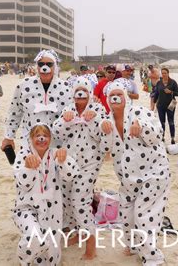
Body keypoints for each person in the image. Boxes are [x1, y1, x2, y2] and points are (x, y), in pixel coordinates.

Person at [100, 81, 170, 265]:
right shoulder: (107, 120)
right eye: (112, 95)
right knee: (126, 214)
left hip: (153, 173)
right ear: (107, 99)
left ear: (125, 96)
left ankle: (152, 257)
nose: (115, 98)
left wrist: (142, 128)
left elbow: (157, 134)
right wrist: (104, 132)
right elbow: (104, 149)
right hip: (127, 178)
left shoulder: (140, 113)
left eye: (119, 94)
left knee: (144, 215)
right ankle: (133, 245)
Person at [52, 77, 108, 260]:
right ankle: (79, 232)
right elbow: (57, 132)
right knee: (67, 198)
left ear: (90, 94)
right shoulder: (67, 109)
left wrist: (92, 119)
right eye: (78, 93)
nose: (81, 97)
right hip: (69, 162)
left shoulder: (98, 109)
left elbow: (103, 136)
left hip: (90, 163)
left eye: (84, 93)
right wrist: (66, 120)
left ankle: (91, 242)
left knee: (80, 200)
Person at [12, 124, 77, 266]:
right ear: (31, 138)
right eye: (37, 135)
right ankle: (23, 262)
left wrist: (63, 161)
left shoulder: (56, 154)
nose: (41, 138)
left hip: (51, 211)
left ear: (50, 138)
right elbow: (22, 184)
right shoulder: (23, 155)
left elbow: (70, 176)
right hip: (26, 208)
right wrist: (28, 168)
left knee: (51, 256)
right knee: (34, 237)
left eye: (45, 136)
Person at [1, 49, 72, 153]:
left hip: (57, 144)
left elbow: (73, 113)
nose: (45, 67)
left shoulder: (66, 88)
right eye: (41, 64)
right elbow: (14, 112)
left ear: (55, 66)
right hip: (29, 142)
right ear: (37, 66)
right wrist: (8, 137)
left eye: (49, 64)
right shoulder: (24, 85)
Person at [153, 68, 178, 144]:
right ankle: (162, 137)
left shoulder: (173, 82)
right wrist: (154, 102)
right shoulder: (159, 83)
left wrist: (171, 92)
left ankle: (172, 138)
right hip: (161, 105)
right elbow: (156, 94)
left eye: (165, 73)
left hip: (171, 104)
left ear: (168, 73)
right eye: (162, 73)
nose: (164, 74)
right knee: (162, 122)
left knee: (171, 121)